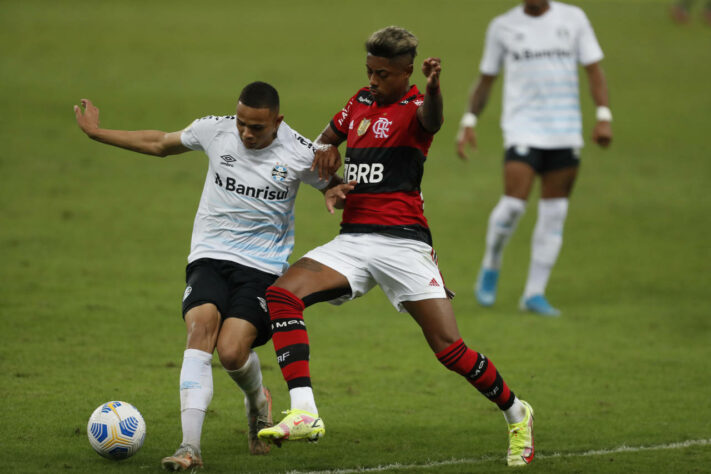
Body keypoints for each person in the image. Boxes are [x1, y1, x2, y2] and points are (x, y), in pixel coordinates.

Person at [256, 26, 535, 467]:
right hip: (353, 240)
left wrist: (436, 87)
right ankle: (305, 411)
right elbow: (323, 141)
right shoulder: (359, 103)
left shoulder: (418, 108)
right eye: (369, 71)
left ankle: (517, 412)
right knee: (282, 294)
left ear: (406, 73)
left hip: (404, 244)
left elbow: (434, 119)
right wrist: (326, 154)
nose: (372, 80)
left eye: (381, 74)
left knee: (449, 348)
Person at [73, 82, 337, 471]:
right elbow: (160, 142)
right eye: (242, 123)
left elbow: (345, 190)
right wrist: (99, 133)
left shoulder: (300, 153)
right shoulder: (216, 129)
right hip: (209, 258)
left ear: (277, 121)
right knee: (200, 330)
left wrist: (338, 195)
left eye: (257, 128)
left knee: (232, 352)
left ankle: (257, 401)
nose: (246, 133)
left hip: (263, 270)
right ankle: (189, 448)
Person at [456, 0, 613, 317]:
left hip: (565, 131)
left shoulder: (573, 18)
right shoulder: (503, 27)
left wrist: (603, 115)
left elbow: (594, 69)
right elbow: (486, 79)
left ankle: (534, 293)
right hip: (523, 129)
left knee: (555, 212)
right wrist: (469, 121)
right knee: (514, 204)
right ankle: (492, 260)